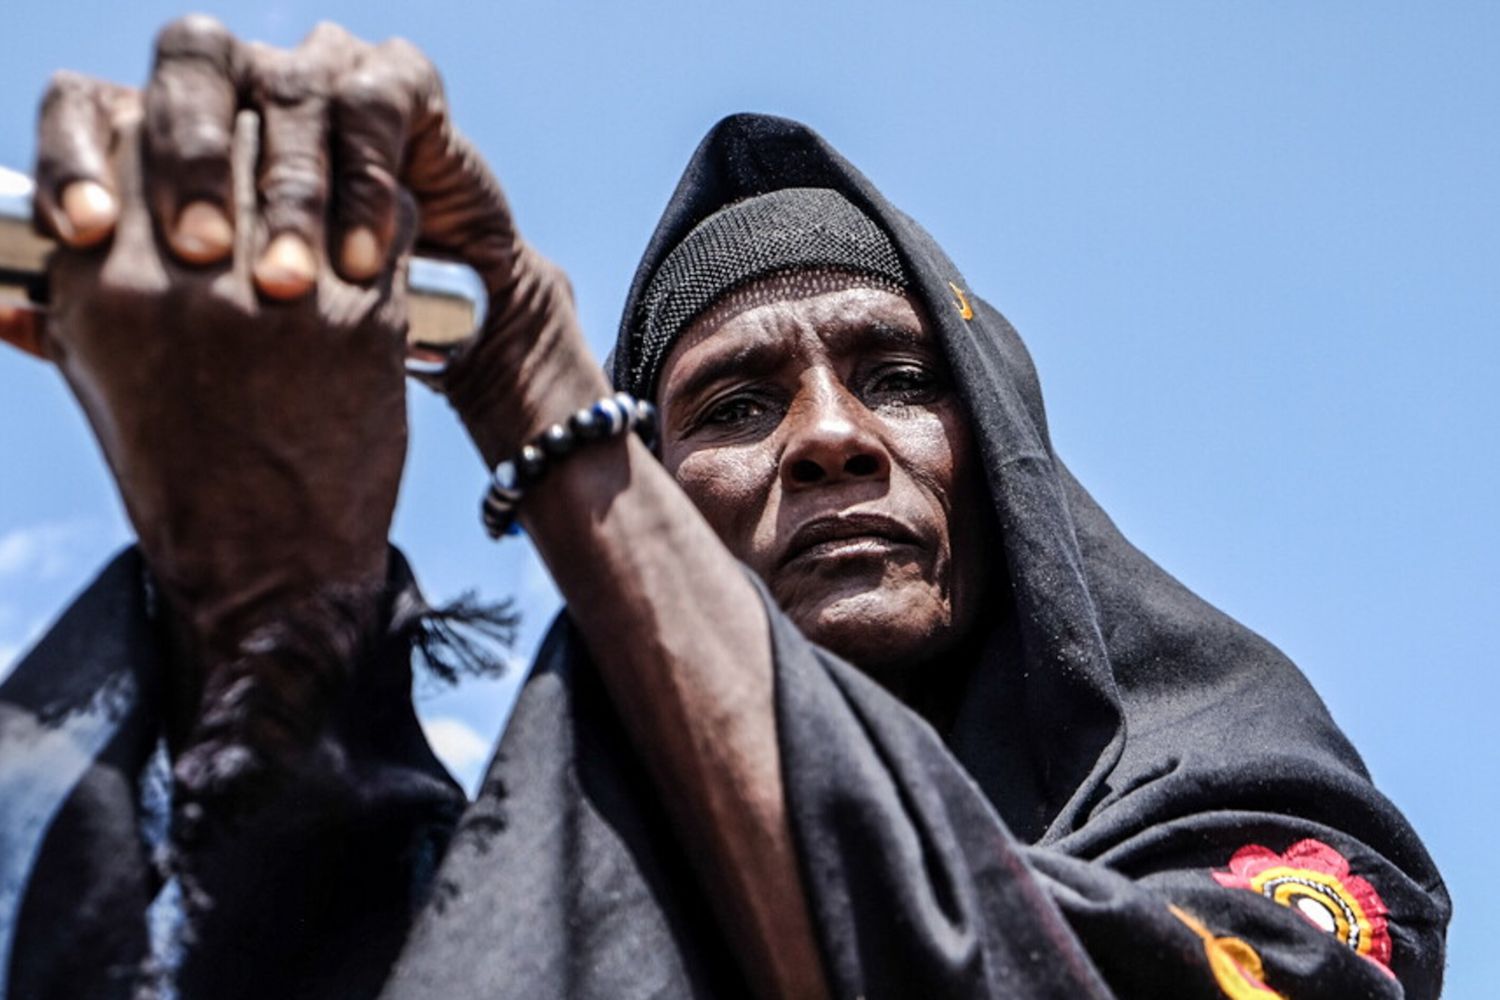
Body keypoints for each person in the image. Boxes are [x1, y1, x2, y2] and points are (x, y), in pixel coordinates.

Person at [0, 18, 1448, 1000]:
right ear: (670, 511)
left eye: (895, 375)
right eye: (736, 406)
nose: (829, 437)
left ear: (1001, 455)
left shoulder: (1256, 805)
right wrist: (271, 590)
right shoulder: (567, 844)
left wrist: (542, 395)